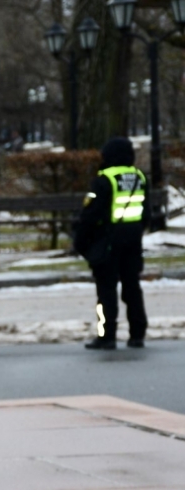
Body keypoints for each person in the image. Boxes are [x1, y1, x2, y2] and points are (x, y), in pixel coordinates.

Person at [74, 137, 148, 350]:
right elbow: (146, 213)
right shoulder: (139, 177)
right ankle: (137, 334)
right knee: (132, 288)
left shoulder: (104, 179)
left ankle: (107, 336)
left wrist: (81, 243)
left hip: (107, 242)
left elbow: (89, 215)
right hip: (133, 241)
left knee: (106, 291)